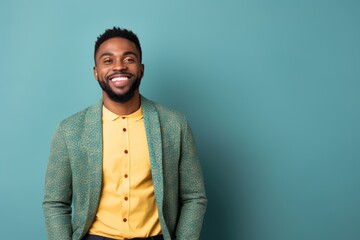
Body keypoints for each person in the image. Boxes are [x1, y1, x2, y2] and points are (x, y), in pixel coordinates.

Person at [42, 27, 207, 240]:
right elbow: (55, 202)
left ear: (141, 69)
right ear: (95, 72)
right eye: (108, 61)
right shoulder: (70, 130)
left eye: (128, 59)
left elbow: (194, 196)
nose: (119, 67)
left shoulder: (175, 124)